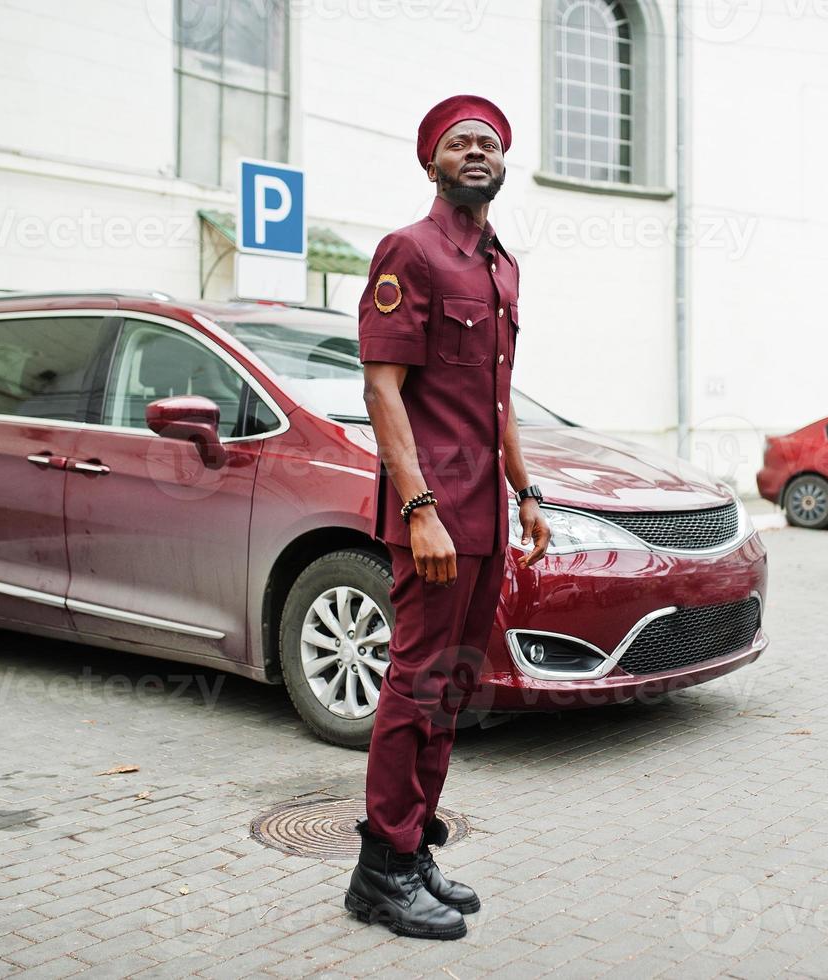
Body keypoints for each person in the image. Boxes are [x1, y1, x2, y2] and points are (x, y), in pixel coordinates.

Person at [344, 94, 551, 940]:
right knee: (415, 682)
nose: (477, 151)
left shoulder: (501, 266)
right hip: (433, 515)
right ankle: (380, 870)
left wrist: (527, 491)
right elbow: (380, 388)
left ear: (504, 167)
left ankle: (414, 847)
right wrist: (420, 508)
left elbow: (495, 401)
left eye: (490, 144)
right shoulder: (411, 253)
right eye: (460, 142)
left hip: (487, 518)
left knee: (452, 687)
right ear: (432, 161)